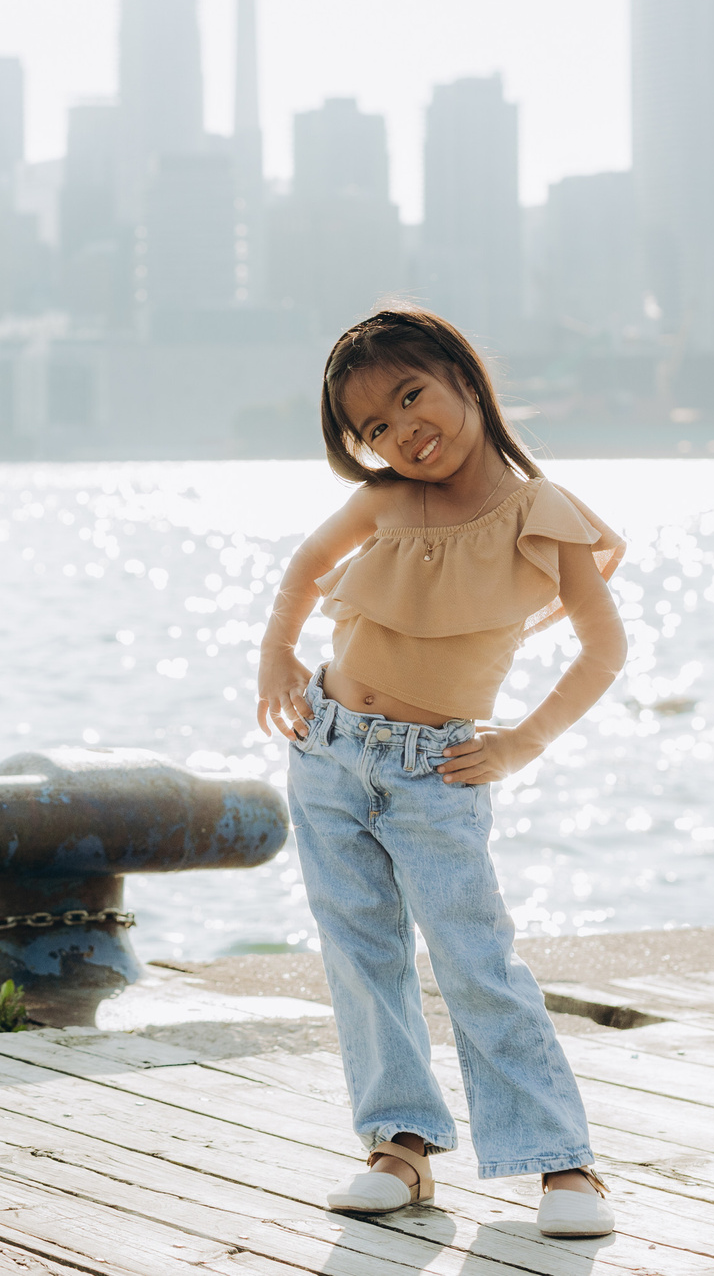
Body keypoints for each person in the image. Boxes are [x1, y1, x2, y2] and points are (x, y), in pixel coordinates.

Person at [255, 307, 625, 1238]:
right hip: (328, 754)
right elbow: (305, 566)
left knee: (476, 959)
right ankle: (401, 1146)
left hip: (438, 772)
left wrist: (518, 741)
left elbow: (602, 647)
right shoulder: (382, 502)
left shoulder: (541, 513)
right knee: (362, 953)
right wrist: (276, 655)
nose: (402, 431)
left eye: (412, 395)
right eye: (374, 426)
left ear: (465, 377)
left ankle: (561, 1161)